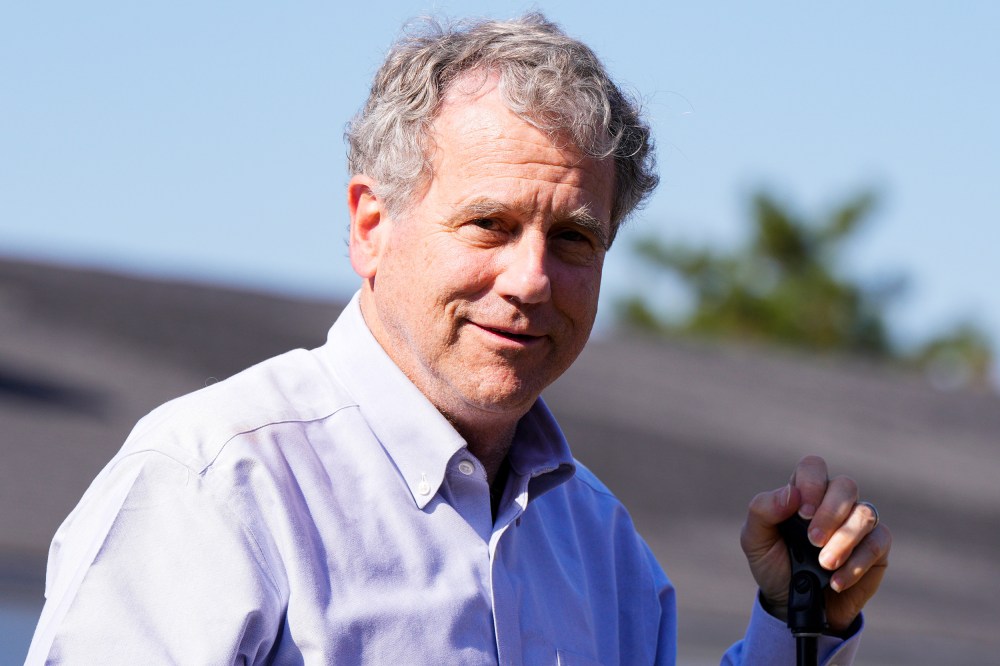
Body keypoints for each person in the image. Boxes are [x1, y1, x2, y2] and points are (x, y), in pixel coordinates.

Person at [26, 13, 890, 665]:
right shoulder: (216, 485)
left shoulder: (602, 546)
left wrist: (798, 618)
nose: (531, 279)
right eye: (489, 223)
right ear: (372, 225)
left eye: (574, 239)